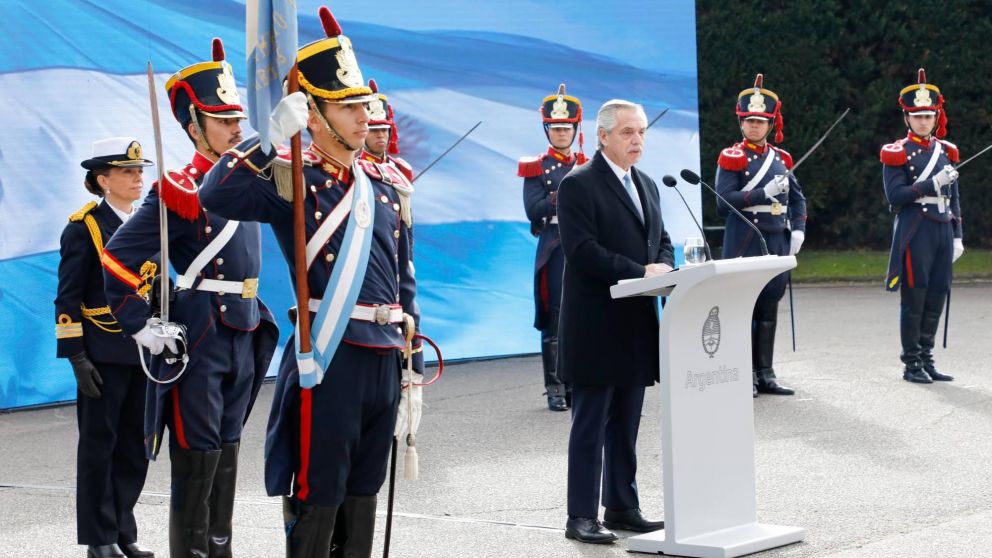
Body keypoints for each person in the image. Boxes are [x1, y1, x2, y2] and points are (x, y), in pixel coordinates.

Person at [197, 7, 424, 558]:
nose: (362, 117)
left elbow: (403, 277)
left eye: (363, 106)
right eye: (347, 108)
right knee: (319, 486)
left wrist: (412, 354)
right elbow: (217, 196)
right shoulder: (293, 178)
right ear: (315, 115)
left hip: (383, 352)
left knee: (365, 487)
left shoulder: (386, 186)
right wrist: (268, 142)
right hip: (331, 353)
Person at [101, 39, 278, 557]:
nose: (236, 130)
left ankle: (219, 550)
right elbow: (116, 258)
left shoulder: (249, 182)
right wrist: (138, 324)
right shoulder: (177, 188)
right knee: (197, 455)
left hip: (245, 326)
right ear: (193, 126)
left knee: (228, 451)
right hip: (201, 332)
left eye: (237, 120)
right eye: (222, 121)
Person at [557, 99, 672, 544]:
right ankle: (580, 515)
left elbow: (659, 240)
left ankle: (622, 506)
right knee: (591, 424)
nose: (637, 139)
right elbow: (581, 251)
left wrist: (662, 268)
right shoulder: (579, 184)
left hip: (636, 322)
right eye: (627, 132)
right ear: (603, 136)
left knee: (626, 422)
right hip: (596, 325)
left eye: (641, 131)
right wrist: (640, 272)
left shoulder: (646, 183)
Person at [56, 137, 156, 558]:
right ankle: (99, 538)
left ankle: (123, 531)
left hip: (143, 350)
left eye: (139, 170)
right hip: (102, 351)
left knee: (136, 444)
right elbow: (67, 298)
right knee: (100, 445)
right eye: (127, 171)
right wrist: (76, 356)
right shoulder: (84, 228)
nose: (138, 177)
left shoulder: (148, 221)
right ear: (103, 180)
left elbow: (156, 285)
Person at [715, 73, 807, 398]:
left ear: (771, 124)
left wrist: (798, 229)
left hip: (777, 240)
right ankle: (744, 374)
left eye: (761, 121)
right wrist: (761, 193)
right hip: (746, 240)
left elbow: (798, 199)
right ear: (741, 122)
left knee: (769, 308)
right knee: (745, 310)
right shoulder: (732, 157)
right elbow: (724, 201)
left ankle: (765, 372)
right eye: (749, 121)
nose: (755, 126)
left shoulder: (782, 159)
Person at [881, 68, 963, 384]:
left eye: (928, 116)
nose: (923, 121)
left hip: (942, 228)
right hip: (916, 229)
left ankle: (927, 357)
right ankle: (911, 362)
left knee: (938, 293)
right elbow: (896, 196)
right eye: (917, 116)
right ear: (907, 118)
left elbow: (955, 198)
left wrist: (958, 234)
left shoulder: (947, 151)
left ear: (936, 117)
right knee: (915, 297)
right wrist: (931, 184)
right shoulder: (897, 151)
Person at [519, 84, 587, 412]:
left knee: (585, 315)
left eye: (566, 128)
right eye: (556, 128)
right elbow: (533, 210)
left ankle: (578, 381)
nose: (561, 133)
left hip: (586, 246)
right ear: (547, 129)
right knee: (557, 318)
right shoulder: (537, 167)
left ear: (575, 129)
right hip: (557, 246)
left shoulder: (591, 163)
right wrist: (564, 193)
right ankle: (556, 386)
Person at [359, 78, 414, 181]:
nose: (380, 135)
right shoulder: (353, 167)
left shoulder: (401, 169)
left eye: (384, 130)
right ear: (363, 133)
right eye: (374, 130)